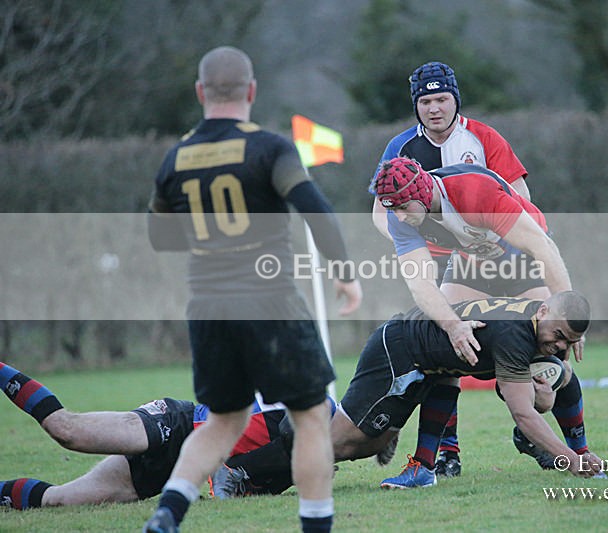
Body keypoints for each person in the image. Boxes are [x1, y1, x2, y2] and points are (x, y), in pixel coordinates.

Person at [143, 46, 362, 533]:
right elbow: (315, 209)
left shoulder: (176, 157)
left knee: (222, 421)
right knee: (309, 417)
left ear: (200, 92)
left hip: (208, 306)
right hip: (270, 301)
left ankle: (167, 514)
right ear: (252, 91)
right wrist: (344, 272)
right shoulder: (269, 148)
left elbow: (159, 236)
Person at [371, 157, 603, 487]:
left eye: (404, 208)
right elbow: (421, 285)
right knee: (443, 347)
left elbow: (541, 246)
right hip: (472, 262)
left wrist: (567, 316)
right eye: (392, 209)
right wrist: (452, 325)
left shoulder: (474, 190)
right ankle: (431, 459)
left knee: (550, 357)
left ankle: (579, 451)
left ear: (423, 194)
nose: (399, 217)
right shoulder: (402, 215)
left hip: (523, 258)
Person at [371, 61, 533, 480]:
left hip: (495, 254)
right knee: (444, 352)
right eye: (425, 101)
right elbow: (379, 211)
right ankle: (446, 450)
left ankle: (532, 423)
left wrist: (506, 244)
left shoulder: (483, 137)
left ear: (455, 99)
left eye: (442, 98)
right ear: (416, 105)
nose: (434, 108)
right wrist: (409, 246)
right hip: (438, 261)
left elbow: (520, 194)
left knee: (526, 336)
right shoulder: (400, 147)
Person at [336, 293, 601, 481]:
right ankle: (304, 421)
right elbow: (523, 414)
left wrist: (579, 451)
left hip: (433, 366)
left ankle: (424, 469)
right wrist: (570, 460)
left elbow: (547, 389)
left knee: (563, 371)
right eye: (558, 336)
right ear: (543, 312)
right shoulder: (514, 334)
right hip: (396, 351)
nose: (561, 347)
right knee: (353, 445)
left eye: (570, 341)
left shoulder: (537, 320)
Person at [0, 361, 304, 510]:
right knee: (67, 430)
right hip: (175, 425)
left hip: (169, 471)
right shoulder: (306, 408)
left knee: (58, 500)